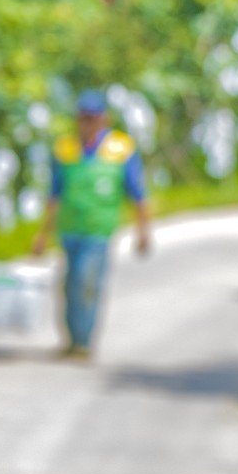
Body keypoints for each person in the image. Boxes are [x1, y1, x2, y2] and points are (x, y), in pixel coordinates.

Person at [32, 90, 152, 359]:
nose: (87, 123)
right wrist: (42, 235)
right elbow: (54, 195)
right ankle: (72, 340)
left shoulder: (121, 150)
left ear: (104, 119)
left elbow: (138, 194)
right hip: (70, 228)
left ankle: (84, 342)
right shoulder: (65, 149)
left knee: (87, 283)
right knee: (69, 285)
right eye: (83, 118)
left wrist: (143, 231)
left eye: (93, 118)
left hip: (99, 229)